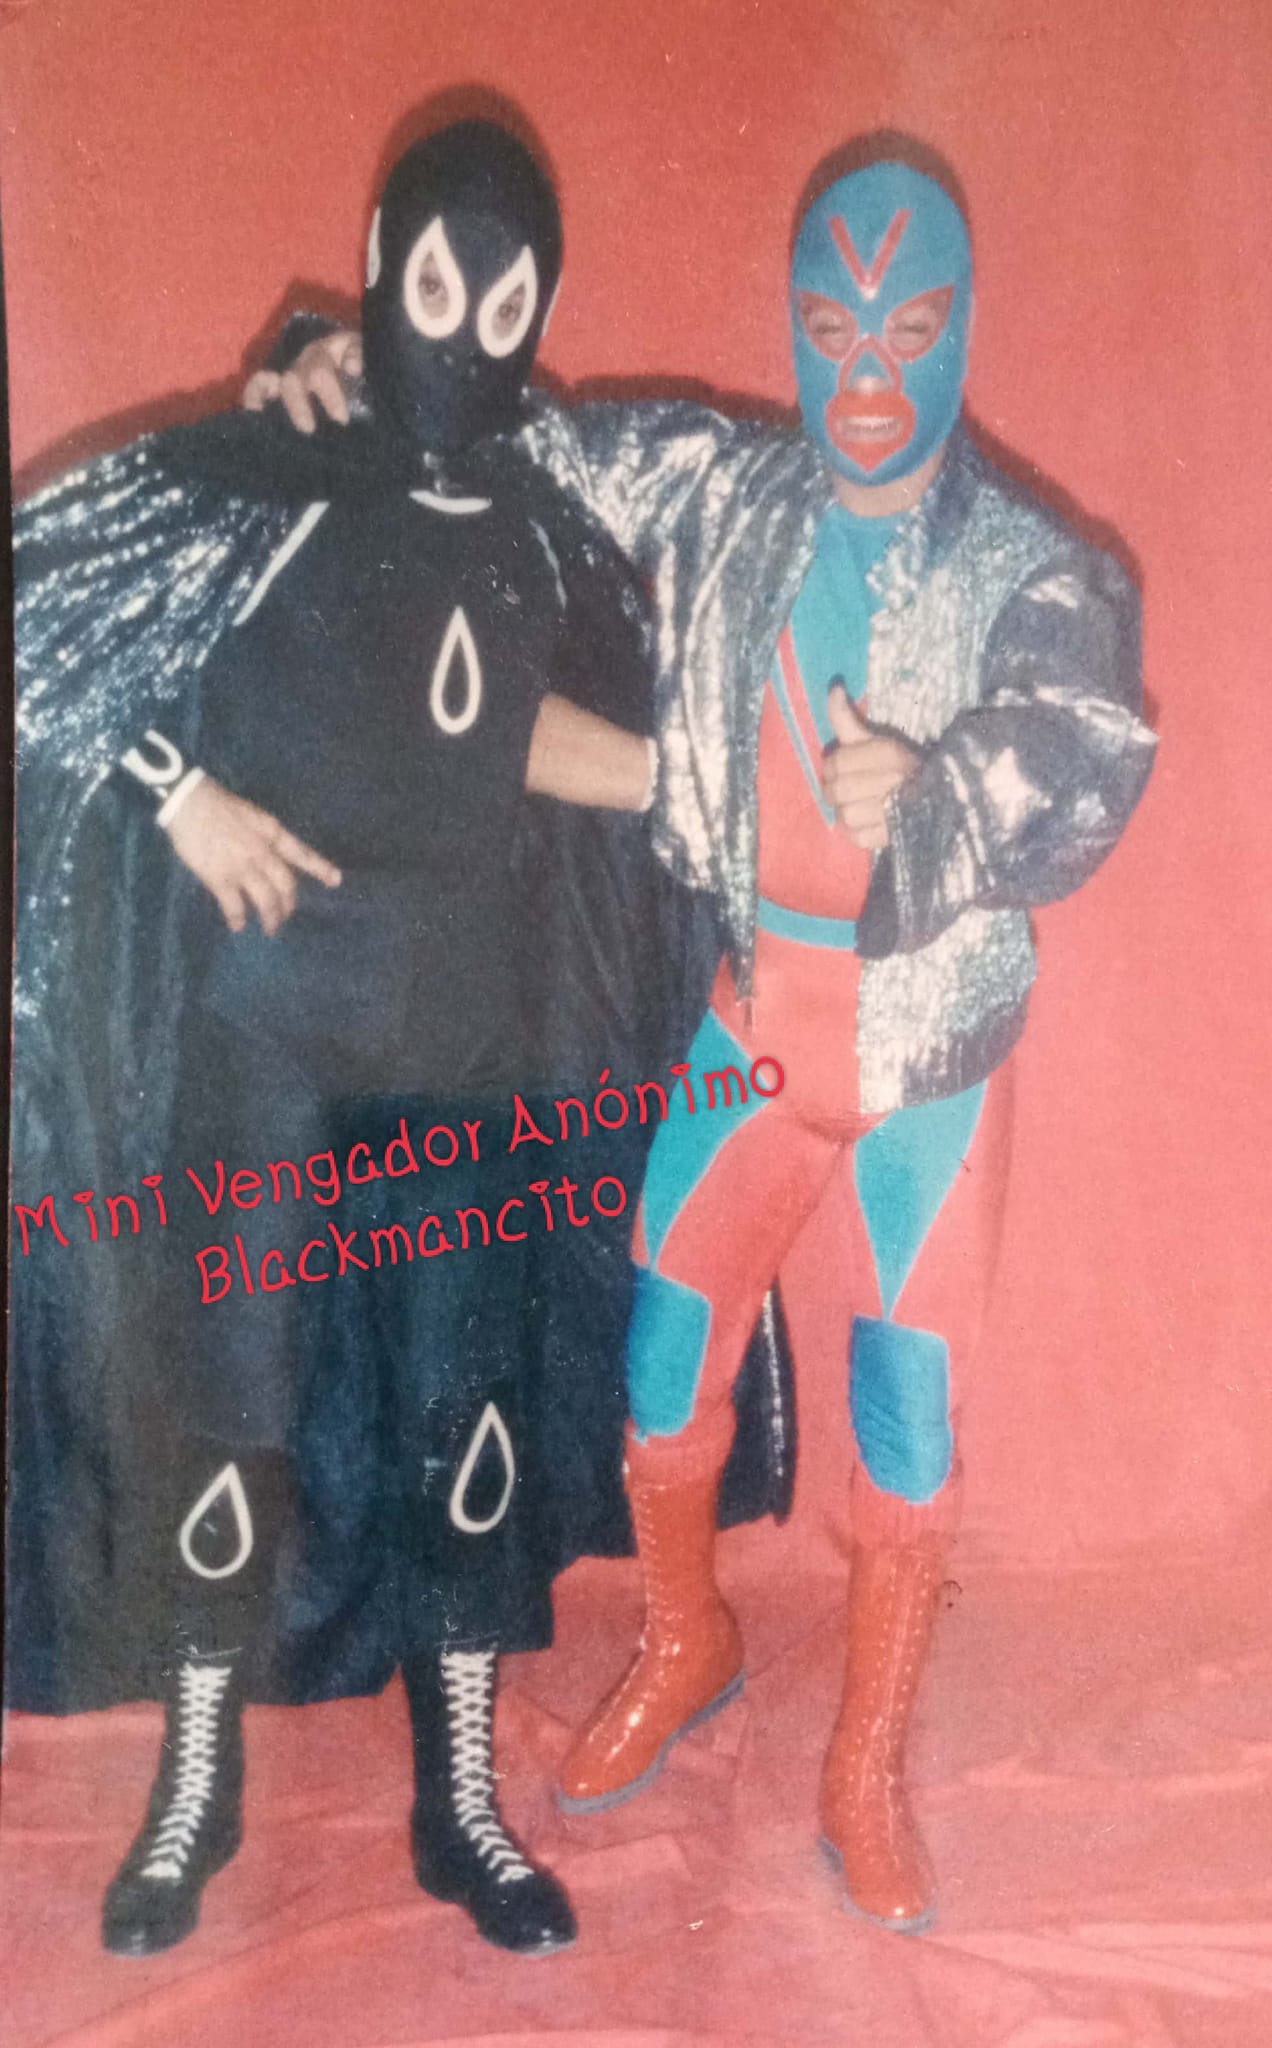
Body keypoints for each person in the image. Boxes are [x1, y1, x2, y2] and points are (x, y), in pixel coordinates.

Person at [260, 148, 1155, 1934]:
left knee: (906, 1415)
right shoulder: (725, 484)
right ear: (791, 328)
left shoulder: (1031, 564)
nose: (867, 373)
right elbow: (519, 424)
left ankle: (865, 1762)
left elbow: (1091, 737)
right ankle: (692, 1640)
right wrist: (343, 353)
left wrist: (947, 787)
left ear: (965, 329)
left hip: (927, 1058)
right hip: (755, 1019)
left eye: (908, 328)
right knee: (660, 1362)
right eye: (831, 327)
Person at [10, 118, 792, 1965]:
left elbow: (518, 737)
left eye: (505, 300)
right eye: (433, 282)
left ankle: (460, 1798)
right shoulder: (266, 468)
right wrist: (178, 791)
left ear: (543, 312)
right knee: (231, 1407)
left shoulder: (540, 506)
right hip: (265, 1030)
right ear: (378, 259)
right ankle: (196, 1782)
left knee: (469, 1421)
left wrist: (738, 799)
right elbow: (40, 614)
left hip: (464, 1037)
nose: (461, 328)